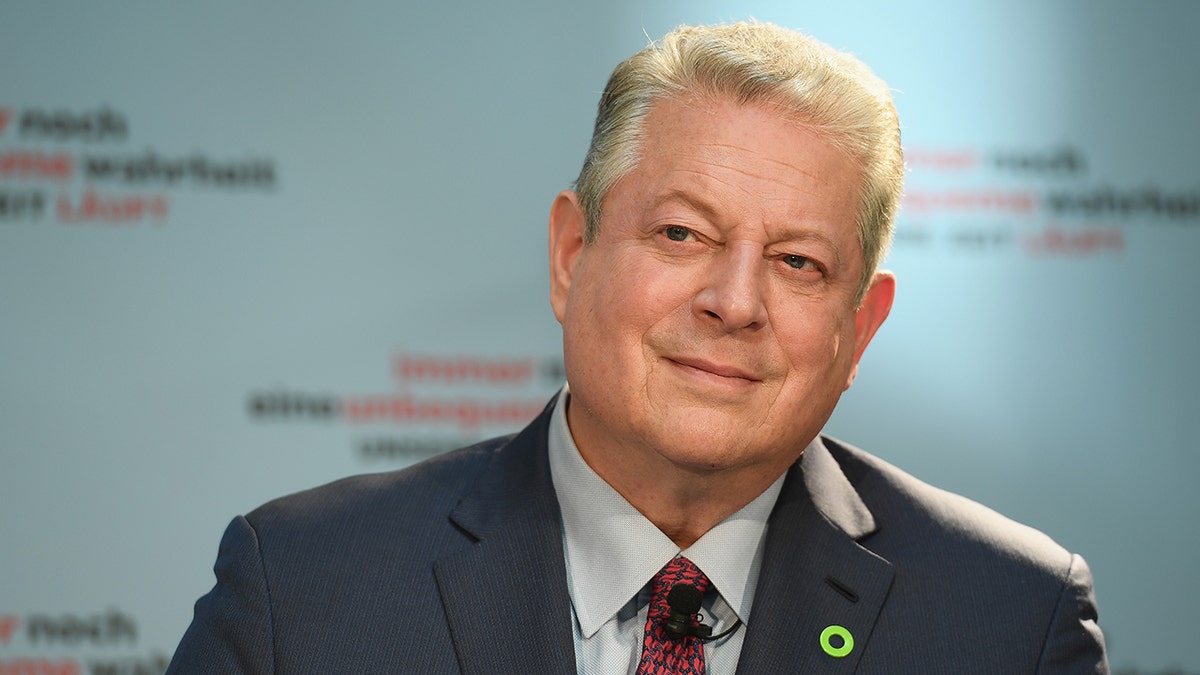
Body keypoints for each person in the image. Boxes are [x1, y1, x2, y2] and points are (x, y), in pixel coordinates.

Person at [167, 22, 1108, 674]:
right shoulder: (302, 587)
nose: (735, 302)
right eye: (681, 236)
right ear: (572, 256)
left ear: (860, 329)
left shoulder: (1012, 620)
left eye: (796, 262)